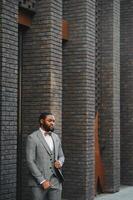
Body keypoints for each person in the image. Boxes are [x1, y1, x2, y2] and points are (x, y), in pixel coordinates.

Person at [26, 112, 65, 200]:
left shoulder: (56, 137)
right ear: (42, 121)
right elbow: (30, 161)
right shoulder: (32, 138)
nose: (52, 123)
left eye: (54, 121)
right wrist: (42, 180)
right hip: (38, 182)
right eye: (49, 120)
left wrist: (60, 162)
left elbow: (61, 156)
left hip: (56, 180)